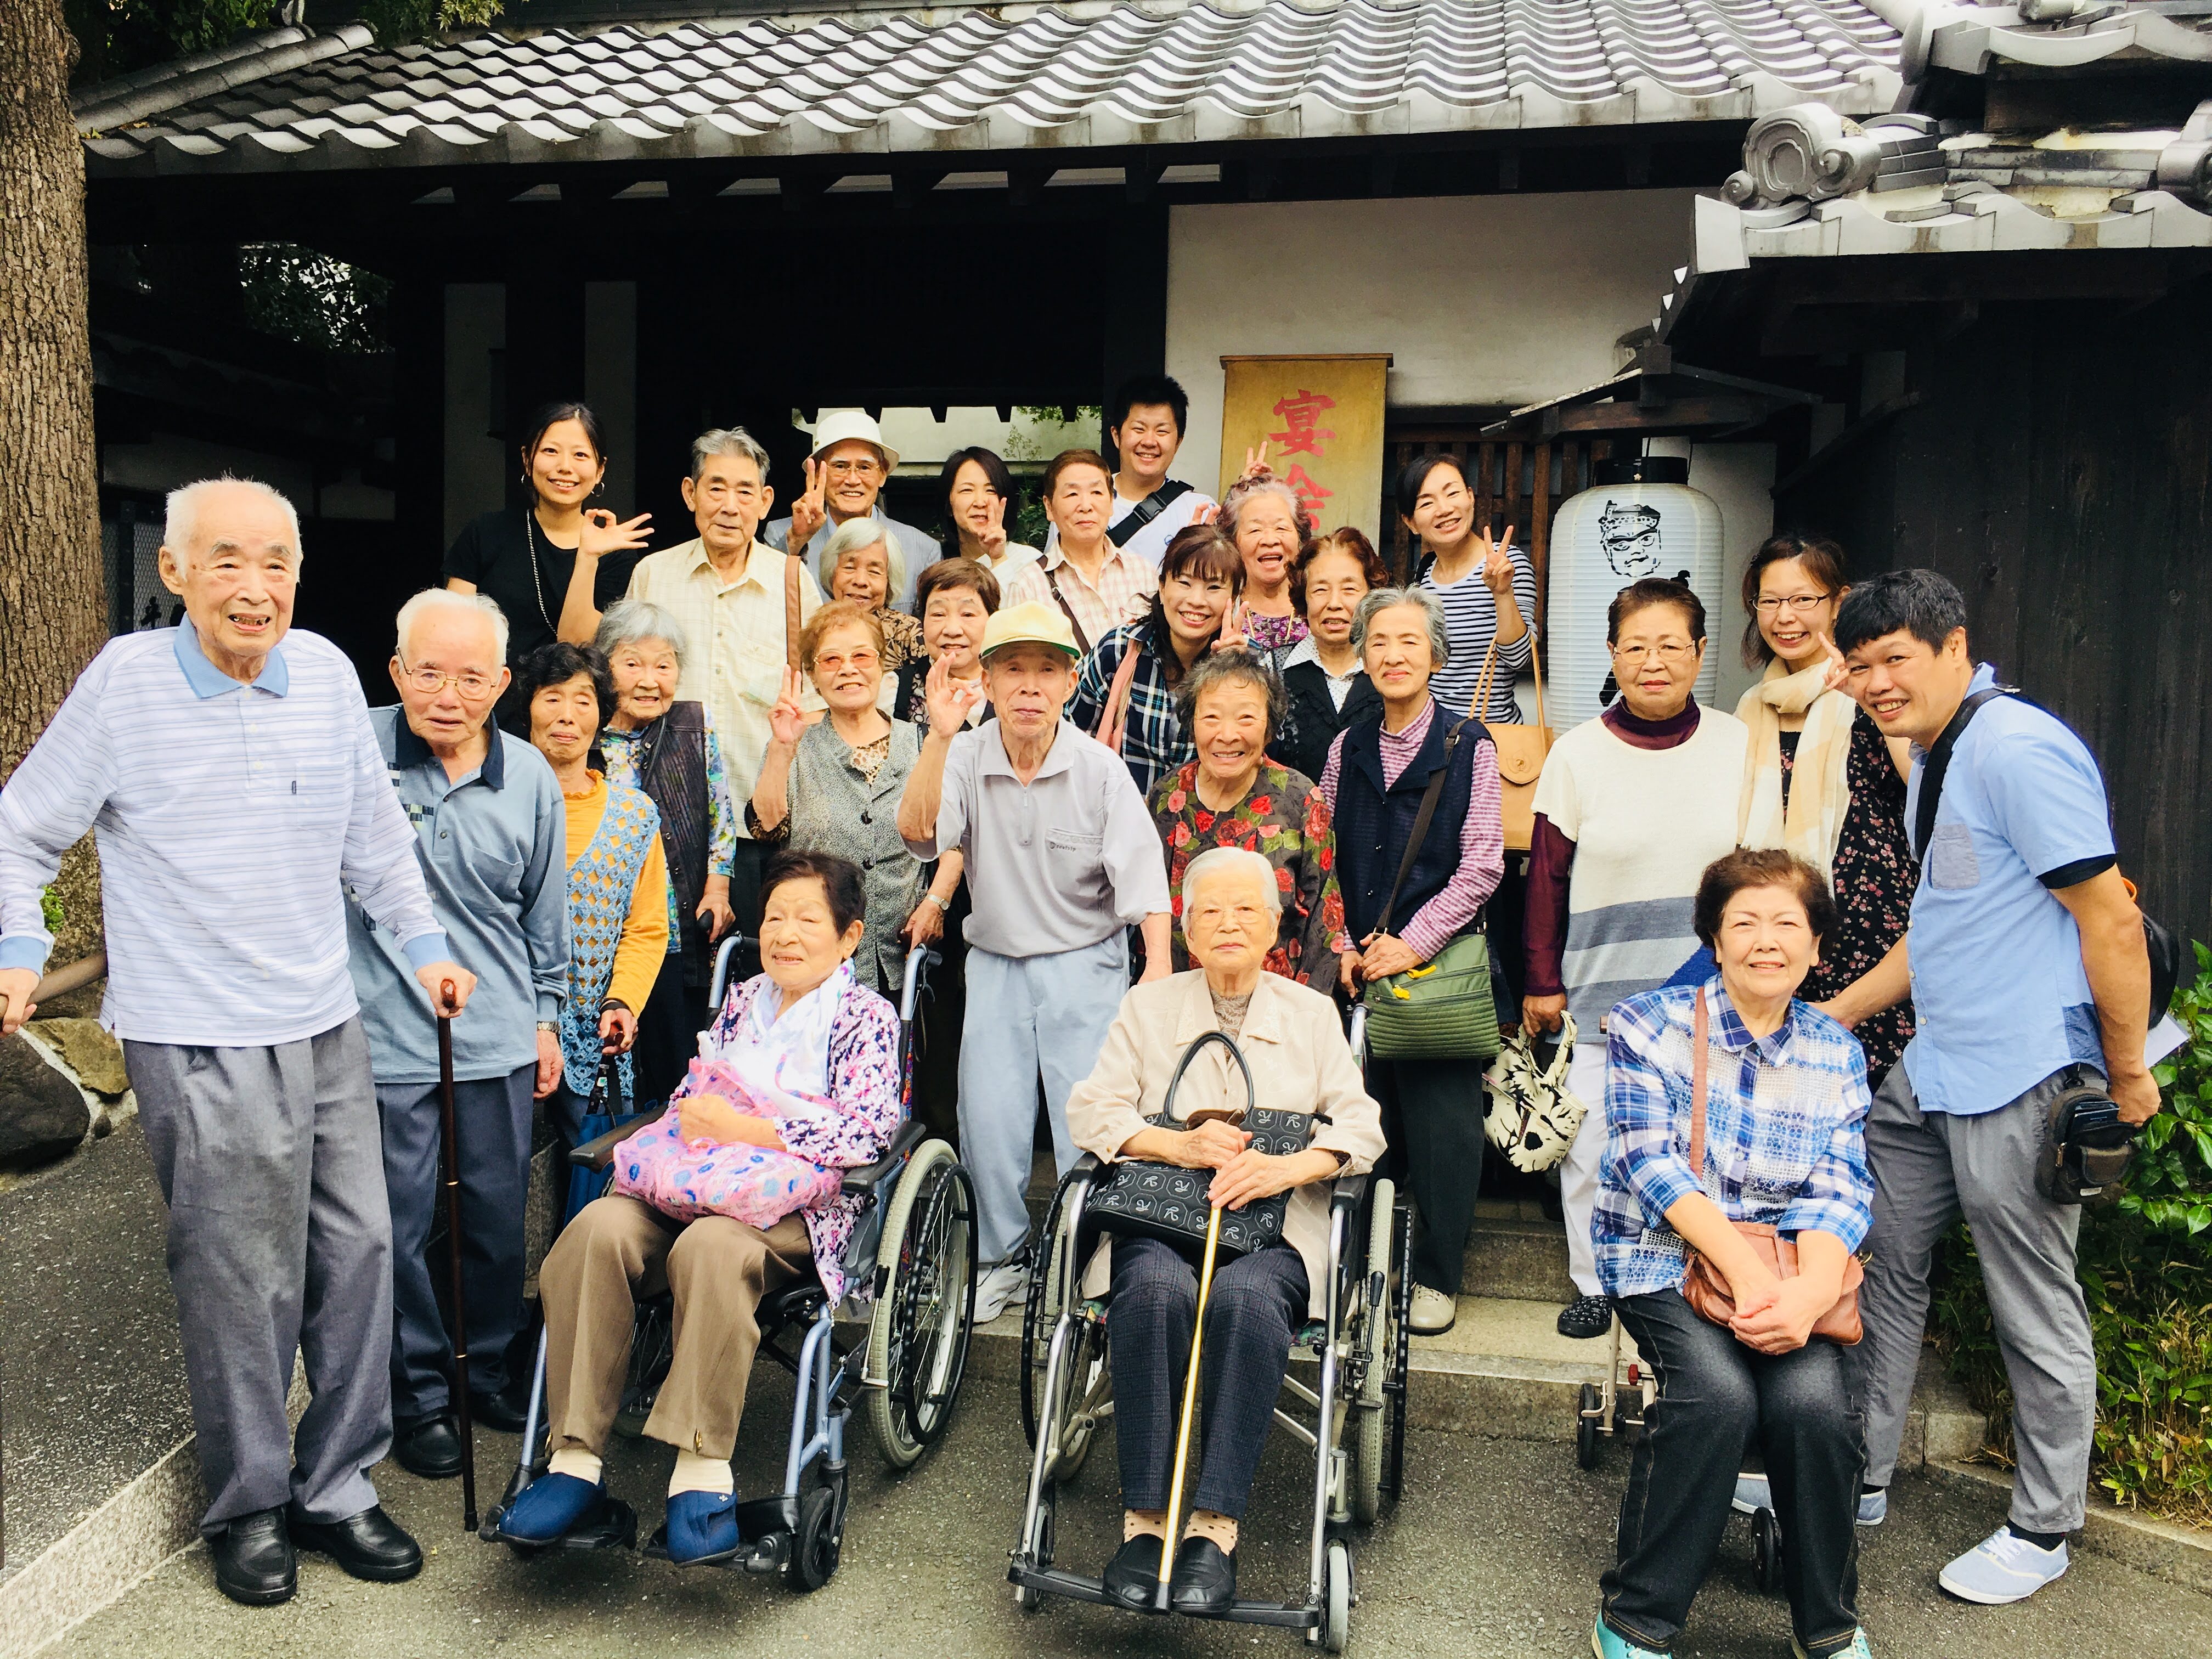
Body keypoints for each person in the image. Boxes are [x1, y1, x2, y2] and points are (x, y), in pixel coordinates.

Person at [0, 477, 477, 1605]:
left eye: (274, 563)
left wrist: (424, 947)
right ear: (174, 574)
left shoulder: (324, 675)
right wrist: (22, 944)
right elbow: (20, 834)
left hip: (324, 1022)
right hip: (196, 1030)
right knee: (238, 1278)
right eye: (224, 562)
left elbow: (374, 842)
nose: (253, 587)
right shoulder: (125, 686)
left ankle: (340, 1485)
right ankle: (251, 1502)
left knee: (359, 1254)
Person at [1830, 569, 2157, 1606]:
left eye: (1896, 658)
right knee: (1876, 1261)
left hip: (2020, 1069)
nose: (1877, 681)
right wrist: (1829, 1014)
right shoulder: (1937, 755)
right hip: (1930, 1066)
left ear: (1954, 644)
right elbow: (1938, 931)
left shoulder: (2017, 747)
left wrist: (2128, 1070)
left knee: (2031, 1299)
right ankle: (1858, 1468)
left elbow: (2107, 918)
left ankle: (2044, 1523)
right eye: (1862, 662)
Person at [493, 851, 902, 1565]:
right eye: (775, 917)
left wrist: (749, 1130)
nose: (786, 934)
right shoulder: (745, 998)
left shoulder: (866, 1019)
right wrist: (691, 1123)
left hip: (790, 1210)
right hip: (695, 1181)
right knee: (595, 1231)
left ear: (848, 936)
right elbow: (695, 1091)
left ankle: (701, 1473)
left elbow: (869, 1130)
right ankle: (576, 1463)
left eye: (808, 919)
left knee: (710, 1250)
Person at [1066, 847, 1385, 1613]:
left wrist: (1289, 1167)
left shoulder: (1311, 1013)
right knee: (1149, 1290)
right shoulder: (1149, 1008)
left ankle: (1214, 1528)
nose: (1228, 923)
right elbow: (1091, 1109)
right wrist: (1175, 1143)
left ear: (1275, 926)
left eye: (1247, 909)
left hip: (1276, 1232)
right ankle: (1146, 1524)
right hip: (1161, 1219)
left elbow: (1364, 1129)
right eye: (1210, 910)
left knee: (1246, 1302)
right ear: (1187, 928)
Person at [1589, 849, 1874, 1659]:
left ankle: (1829, 1628)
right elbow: (1649, 1164)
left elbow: (1841, 1189)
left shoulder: (1835, 1052)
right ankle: (1636, 1618)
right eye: (1743, 922)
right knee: (1717, 1396)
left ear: (1818, 947)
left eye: (1788, 923)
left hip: (1790, 1276)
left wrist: (1811, 1295)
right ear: (1713, 940)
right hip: (1662, 1260)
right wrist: (1752, 1282)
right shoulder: (1649, 1024)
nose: (1766, 940)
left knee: (1815, 1407)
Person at [898, 601, 1173, 1324]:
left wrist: (1158, 970)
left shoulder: (1099, 768)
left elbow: (1146, 879)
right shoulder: (963, 753)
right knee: (988, 1122)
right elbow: (921, 831)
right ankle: (1000, 1262)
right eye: (1012, 670)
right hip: (994, 962)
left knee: (1090, 1124)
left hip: (1085, 964)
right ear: (985, 681)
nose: (1028, 686)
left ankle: (1091, 1263)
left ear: (1071, 681)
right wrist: (938, 736)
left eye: (1045, 670)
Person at [346, 589, 568, 1469]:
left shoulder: (531, 776)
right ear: (396, 671)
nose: (448, 693)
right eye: (427, 672)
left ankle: (488, 1372)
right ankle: (422, 1393)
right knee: (393, 1224)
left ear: (504, 683)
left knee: (490, 1217)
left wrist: (549, 1019)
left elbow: (543, 922)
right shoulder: (354, 747)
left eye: (471, 676)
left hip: (497, 1035)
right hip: (380, 1036)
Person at [1522, 578, 1750, 1340]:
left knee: (1703, 1145)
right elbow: (1546, 878)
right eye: (1636, 647)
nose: (1654, 662)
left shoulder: (1740, 746)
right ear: (1613, 655)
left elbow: (1763, 870)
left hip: (1711, 993)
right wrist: (1542, 981)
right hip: (1599, 993)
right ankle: (1597, 1285)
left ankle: (1697, 1279)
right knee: (1590, 1146)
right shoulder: (1578, 754)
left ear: (1699, 653)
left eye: (1671, 646)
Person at [1316, 588, 1505, 1337]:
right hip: (1358, 966)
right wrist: (1342, 945)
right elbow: (1321, 852)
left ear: (1436, 656)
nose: (1393, 655)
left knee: (1442, 1127)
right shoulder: (1347, 746)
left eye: (1409, 642)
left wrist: (1411, 943)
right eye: (1379, 642)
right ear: (1362, 656)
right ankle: (1362, 1265)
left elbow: (1482, 866)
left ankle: (1436, 1275)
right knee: (1363, 1117)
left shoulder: (1469, 745)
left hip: (1434, 972)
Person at [1733, 534, 1916, 1087]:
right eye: (1770, 601)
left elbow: (1925, 782)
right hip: (1782, 942)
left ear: (1839, 602)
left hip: (1873, 944)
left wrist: (1863, 693)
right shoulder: (1749, 707)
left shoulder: (1873, 693)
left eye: (1803, 600)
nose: (1785, 617)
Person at [624, 426, 821, 939]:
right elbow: (620, 688)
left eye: (744, 491)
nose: (729, 506)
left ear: (765, 501)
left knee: (764, 962)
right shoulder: (653, 577)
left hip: (762, 822)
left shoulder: (793, 582)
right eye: (716, 488)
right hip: (667, 817)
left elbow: (819, 697)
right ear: (691, 494)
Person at [751, 602, 951, 997]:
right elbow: (767, 827)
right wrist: (781, 749)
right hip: (815, 963)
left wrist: (935, 902)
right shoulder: (793, 742)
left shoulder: (921, 741)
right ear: (814, 676)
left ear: (881, 667)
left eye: (861, 655)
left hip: (902, 959)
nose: (848, 669)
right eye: (831, 660)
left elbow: (953, 839)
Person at [516, 642, 670, 1141]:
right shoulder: (492, 802)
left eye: (583, 700)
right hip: (504, 1024)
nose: (567, 715)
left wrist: (622, 1000)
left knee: (585, 1171)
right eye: (551, 697)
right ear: (528, 708)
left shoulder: (634, 816)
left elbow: (647, 927)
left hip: (592, 1034)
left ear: (602, 714)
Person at [592, 599, 738, 1108]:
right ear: (603, 665)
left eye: (664, 663)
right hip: (603, 927)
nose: (650, 679)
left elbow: (721, 815)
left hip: (678, 926)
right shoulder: (585, 736)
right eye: (632, 663)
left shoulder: (693, 724)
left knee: (675, 1060)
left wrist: (718, 888)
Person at [443, 400, 651, 728]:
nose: (565, 467)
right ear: (528, 459)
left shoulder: (616, 553)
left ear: (600, 470)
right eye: (551, 451)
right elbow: (452, 632)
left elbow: (575, 645)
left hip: (570, 723)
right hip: (485, 715)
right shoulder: (486, 534)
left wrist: (588, 557)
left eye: (581, 455)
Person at [1149, 650, 1348, 992]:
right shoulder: (1168, 797)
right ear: (1192, 724)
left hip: (1277, 1001)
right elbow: (1148, 904)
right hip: (1182, 997)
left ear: (1269, 729)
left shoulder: (1300, 799)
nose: (1227, 735)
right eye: (1211, 718)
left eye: (1246, 718)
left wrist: (1308, 1013)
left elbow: (1323, 919)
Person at [1066, 522, 1245, 800]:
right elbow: (1068, 735)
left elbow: (1263, 754)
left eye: (1214, 588)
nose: (1197, 600)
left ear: (1233, 599)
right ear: (1162, 589)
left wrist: (1232, 673)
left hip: (1207, 831)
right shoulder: (1121, 649)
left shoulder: (1248, 662)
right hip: (1122, 823)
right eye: (1184, 583)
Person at [1400, 453, 1537, 723]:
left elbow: (1520, 660)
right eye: (1427, 503)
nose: (1444, 509)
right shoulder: (1423, 577)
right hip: (1432, 737)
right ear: (1411, 523)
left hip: (1492, 737)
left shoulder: (1506, 563)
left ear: (1471, 497)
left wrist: (1502, 593)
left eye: (1452, 494)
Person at [765, 410, 938, 614]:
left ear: (882, 474)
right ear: (820, 475)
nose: (853, 480)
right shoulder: (783, 534)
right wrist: (796, 540)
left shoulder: (923, 549)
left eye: (865, 467)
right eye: (840, 466)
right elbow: (763, 604)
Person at [1000, 449, 1159, 653]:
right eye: (1072, 494)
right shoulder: (1028, 586)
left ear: (1111, 502)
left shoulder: (1144, 573)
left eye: (1097, 493)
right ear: (1049, 507)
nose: (1086, 506)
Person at [1278, 528, 1385, 782]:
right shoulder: (1271, 670)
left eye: (1349, 589)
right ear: (1303, 598)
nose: (1334, 603)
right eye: (1320, 590)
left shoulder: (1390, 669)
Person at [1093, 373, 1218, 568]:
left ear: (1178, 442)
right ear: (1116, 436)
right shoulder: (1081, 504)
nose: (1150, 442)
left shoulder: (1201, 511)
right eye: (1139, 429)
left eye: (1162, 431)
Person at [1217, 474, 1311, 665]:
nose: (1270, 540)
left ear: (1299, 538)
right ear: (1233, 542)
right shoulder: (1220, 607)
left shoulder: (1316, 605)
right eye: (1255, 530)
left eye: (1281, 528)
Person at [900, 556, 1001, 733]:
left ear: (993, 620)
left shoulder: (1013, 685)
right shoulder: (897, 688)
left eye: (968, 614)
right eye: (938, 614)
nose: (952, 630)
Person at [818, 516, 925, 682]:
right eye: (849, 567)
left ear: (889, 580)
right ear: (832, 572)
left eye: (874, 571)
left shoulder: (907, 633)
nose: (860, 581)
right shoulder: (814, 628)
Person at [941, 444, 1042, 593]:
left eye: (991, 490)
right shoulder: (936, 563)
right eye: (967, 490)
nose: (980, 502)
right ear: (949, 505)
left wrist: (998, 560)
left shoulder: (1030, 562)